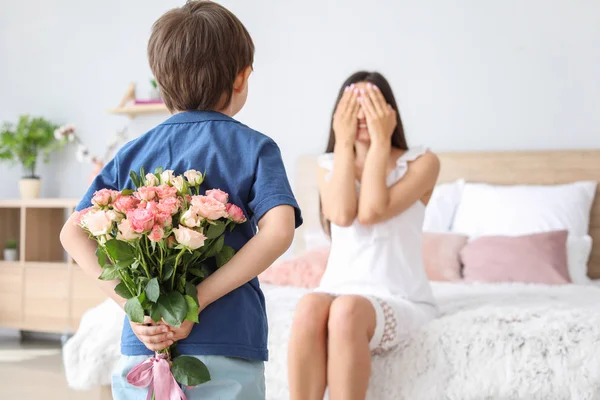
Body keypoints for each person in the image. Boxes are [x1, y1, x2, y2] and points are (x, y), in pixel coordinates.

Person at [60, 1, 302, 399]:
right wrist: (195, 301)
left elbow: (72, 234)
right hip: (226, 343)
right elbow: (279, 231)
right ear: (242, 78)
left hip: (145, 347)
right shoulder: (255, 148)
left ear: (159, 82)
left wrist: (134, 308)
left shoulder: (132, 153)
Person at [287, 71, 439, 400]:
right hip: (338, 289)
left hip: (401, 296)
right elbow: (341, 214)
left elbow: (371, 211)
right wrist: (343, 144)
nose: (360, 116)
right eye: (351, 106)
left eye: (368, 105)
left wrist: (381, 142)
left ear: (388, 112)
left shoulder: (422, 162)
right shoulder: (327, 165)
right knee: (309, 305)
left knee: (347, 311)